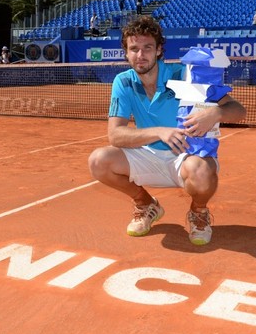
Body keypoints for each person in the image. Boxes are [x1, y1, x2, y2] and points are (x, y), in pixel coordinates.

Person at [87, 16, 246, 245]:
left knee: (202, 174)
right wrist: (160, 132)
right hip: (147, 155)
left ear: (159, 50)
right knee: (98, 161)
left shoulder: (184, 74)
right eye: (134, 49)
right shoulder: (123, 81)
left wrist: (215, 114)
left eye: (147, 48)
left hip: (186, 156)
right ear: (126, 52)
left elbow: (238, 110)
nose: (140, 55)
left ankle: (198, 212)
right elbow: (115, 135)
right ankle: (146, 205)